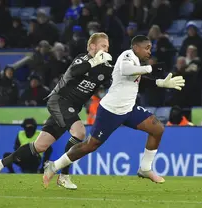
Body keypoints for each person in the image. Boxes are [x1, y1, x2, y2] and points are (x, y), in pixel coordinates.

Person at [42, 35, 185, 187]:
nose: (150, 51)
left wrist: (160, 83)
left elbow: (138, 79)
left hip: (129, 109)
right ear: (136, 48)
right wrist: (150, 68)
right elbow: (126, 70)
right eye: (147, 48)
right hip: (111, 110)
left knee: (157, 129)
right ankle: (54, 166)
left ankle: (145, 168)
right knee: (90, 145)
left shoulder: (137, 62)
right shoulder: (127, 56)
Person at [0, 32, 113, 190]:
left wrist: (145, 71)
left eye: (108, 47)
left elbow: (121, 75)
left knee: (39, 146)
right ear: (92, 46)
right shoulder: (83, 59)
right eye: (103, 46)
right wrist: (95, 60)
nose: (106, 50)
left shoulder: (105, 67)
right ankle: (64, 176)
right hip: (59, 100)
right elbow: (75, 72)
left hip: (70, 108)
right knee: (79, 133)